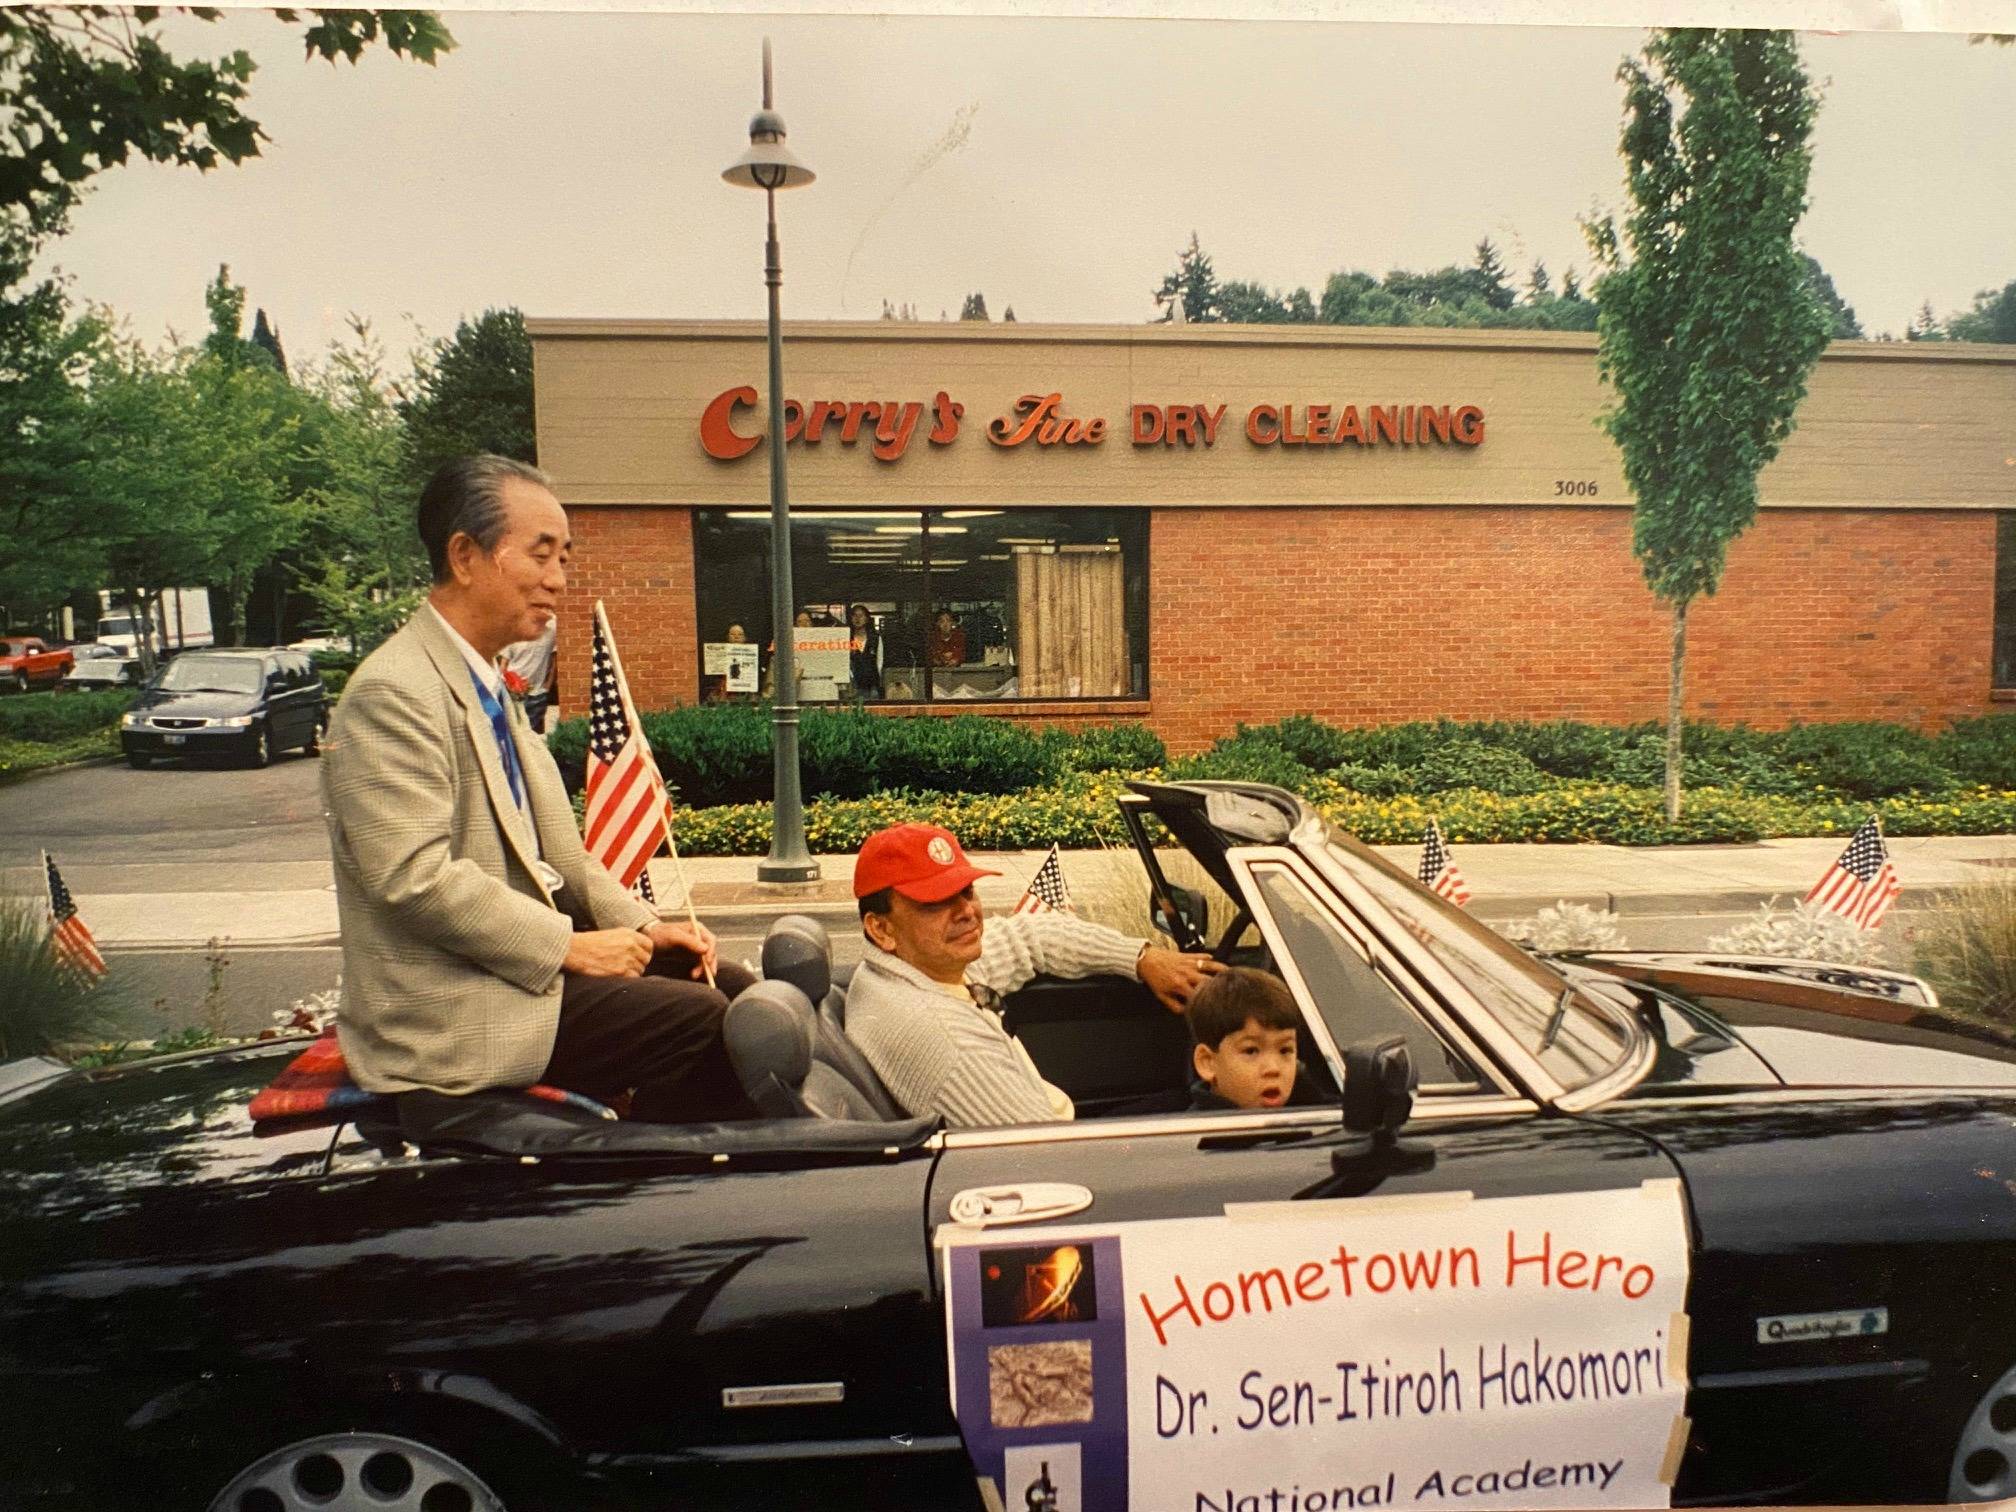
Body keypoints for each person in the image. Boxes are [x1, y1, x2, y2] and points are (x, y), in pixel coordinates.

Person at [321, 454, 757, 1123]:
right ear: (464, 556)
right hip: (451, 1012)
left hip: (514, 973)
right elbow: (414, 878)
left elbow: (566, 859)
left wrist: (643, 926)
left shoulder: (490, 685)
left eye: (565, 558)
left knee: (731, 988)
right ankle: (666, 1195)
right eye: (541, 555)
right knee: (698, 1019)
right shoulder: (394, 692)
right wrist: (571, 946)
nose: (558, 581)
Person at [846, 821, 1222, 1128]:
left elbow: (1029, 934)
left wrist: (1141, 958)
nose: (966, 912)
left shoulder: (917, 968)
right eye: (934, 902)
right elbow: (1041, 1149)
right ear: (881, 929)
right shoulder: (943, 1039)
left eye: (967, 891)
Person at [1186, 967, 1309, 1111]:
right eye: (1251, 1051)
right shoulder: (1201, 1130)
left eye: (1285, 1050)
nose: (1273, 1068)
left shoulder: (1316, 1114)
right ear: (1208, 1063)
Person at [498, 617, 557, 733]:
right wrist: (503, 687)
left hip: (537, 694)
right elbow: (504, 664)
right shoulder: (515, 631)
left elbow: (554, 660)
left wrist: (547, 686)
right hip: (512, 693)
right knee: (514, 733)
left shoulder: (552, 629)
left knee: (531, 735)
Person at [846, 603, 882, 699]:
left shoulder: (875, 638)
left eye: (861, 615)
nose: (857, 618)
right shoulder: (847, 638)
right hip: (854, 685)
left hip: (872, 685)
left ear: (866, 618)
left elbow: (880, 662)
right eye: (854, 615)